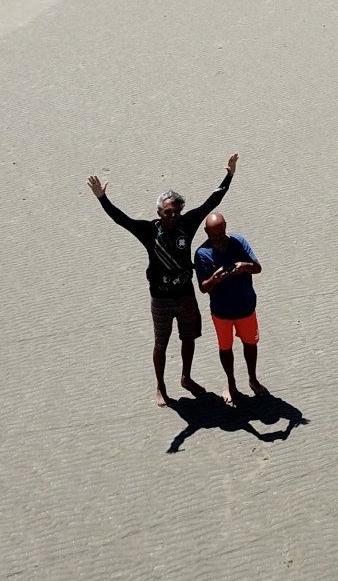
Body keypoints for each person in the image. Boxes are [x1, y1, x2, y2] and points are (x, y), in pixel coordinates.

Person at [87, 153, 237, 406]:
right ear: (158, 212)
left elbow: (211, 202)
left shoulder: (187, 224)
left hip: (186, 294)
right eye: (167, 212)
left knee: (188, 337)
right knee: (161, 343)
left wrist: (229, 175)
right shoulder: (148, 231)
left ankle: (186, 378)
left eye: (176, 212)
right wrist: (102, 198)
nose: (172, 216)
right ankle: (160, 386)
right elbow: (120, 219)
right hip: (161, 297)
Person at [195, 212, 266, 405]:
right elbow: (203, 288)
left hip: (245, 306)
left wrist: (244, 266)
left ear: (226, 227)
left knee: (250, 344)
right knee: (225, 348)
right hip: (221, 311)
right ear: (206, 232)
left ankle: (252, 378)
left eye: (220, 233)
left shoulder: (239, 242)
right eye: (213, 235)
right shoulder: (202, 253)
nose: (217, 239)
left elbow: (258, 267)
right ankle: (231, 383)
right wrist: (214, 279)